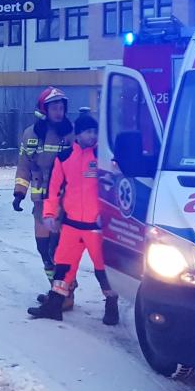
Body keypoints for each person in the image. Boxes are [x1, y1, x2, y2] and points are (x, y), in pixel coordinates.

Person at [27, 113, 119, 325]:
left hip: (97, 228)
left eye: (95, 132)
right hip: (71, 225)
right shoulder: (65, 157)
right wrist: (49, 214)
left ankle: (111, 303)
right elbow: (54, 189)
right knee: (63, 266)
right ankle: (55, 305)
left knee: (103, 269)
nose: (92, 135)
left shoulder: (103, 157)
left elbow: (115, 184)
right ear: (78, 134)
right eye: (88, 131)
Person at [13, 87, 75, 306]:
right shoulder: (31, 134)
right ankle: (55, 290)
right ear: (44, 109)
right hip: (40, 201)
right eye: (55, 108)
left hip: (62, 201)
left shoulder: (70, 134)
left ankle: (65, 293)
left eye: (61, 108)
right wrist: (19, 192)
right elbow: (24, 165)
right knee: (43, 248)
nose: (59, 112)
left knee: (57, 249)